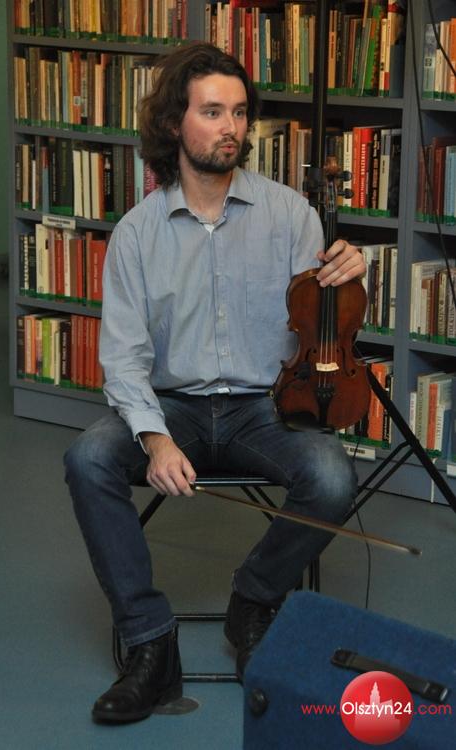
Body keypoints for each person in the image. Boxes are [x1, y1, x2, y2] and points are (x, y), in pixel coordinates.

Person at [64, 41, 366, 724]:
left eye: (239, 112)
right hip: (173, 409)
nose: (231, 127)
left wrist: (348, 275)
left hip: (265, 407)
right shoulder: (137, 233)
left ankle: (253, 600)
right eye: (212, 112)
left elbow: (323, 323)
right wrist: (154, 438)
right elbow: (124, 359)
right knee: (87, 458)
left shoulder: (291, 214)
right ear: (175, 123)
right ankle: (150, 643)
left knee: (332, 477)